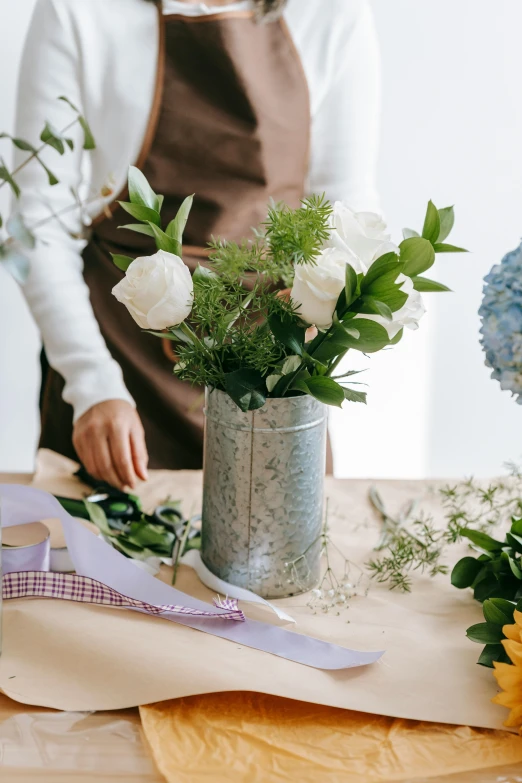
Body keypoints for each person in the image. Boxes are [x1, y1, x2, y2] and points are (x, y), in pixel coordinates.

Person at [14, 0, 381, 489]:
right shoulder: (76, 10)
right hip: (119, 355)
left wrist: (320, 329)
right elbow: (37, 222)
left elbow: (348, 210)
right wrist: (91, 383)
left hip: (274, 359)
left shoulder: (333, 12)